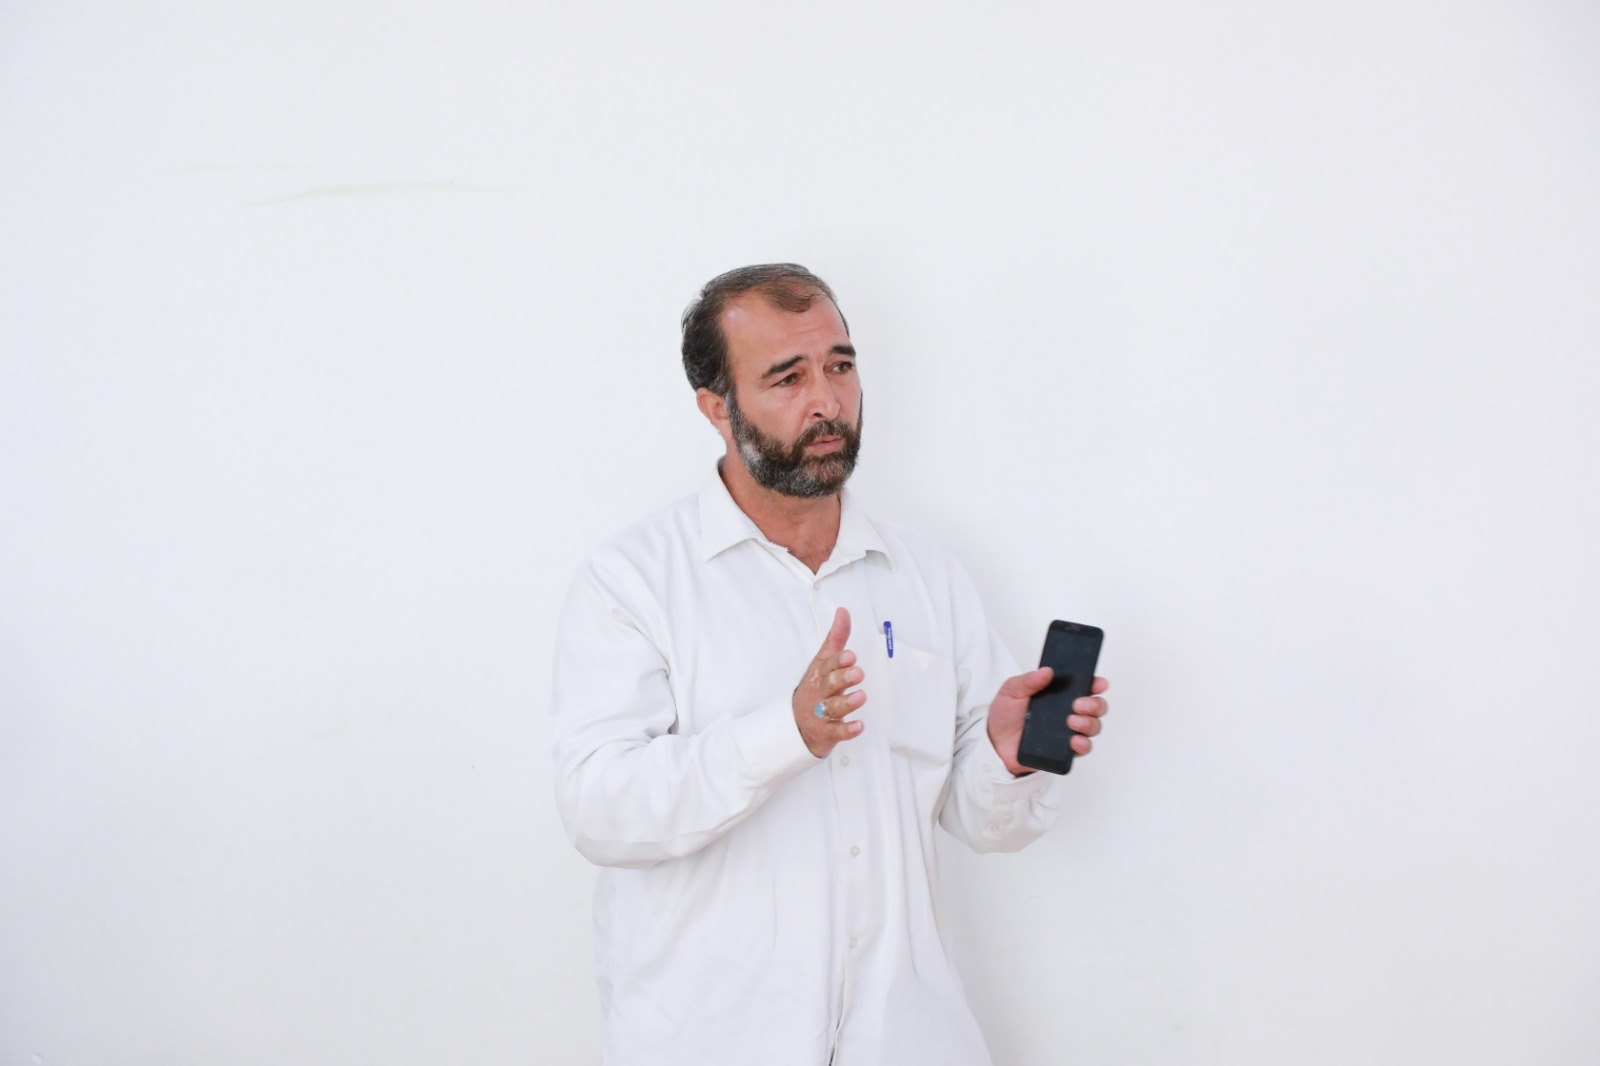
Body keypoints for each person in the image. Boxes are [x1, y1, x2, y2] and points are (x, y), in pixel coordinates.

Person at [551, 264, 1109, 1065]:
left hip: (907, 1040)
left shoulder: (927, 576)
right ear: (716, 407)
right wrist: (786, 733)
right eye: (788, 377)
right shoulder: (634, 582)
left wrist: (1006, 757)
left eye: (839, 366)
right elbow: (600, 811)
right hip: (713, 1043)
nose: (827, 401)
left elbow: (985, 824)